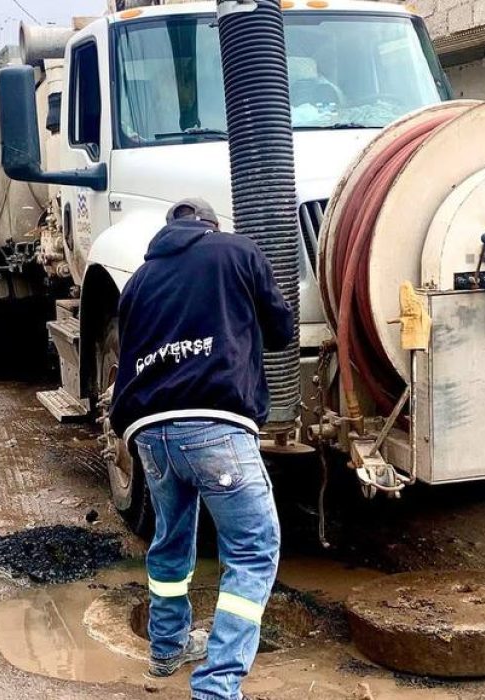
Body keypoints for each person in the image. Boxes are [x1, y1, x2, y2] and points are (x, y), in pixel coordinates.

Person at [110, 199, 294, 699]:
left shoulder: (138, 281)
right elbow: (282, 330)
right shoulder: (236, 251)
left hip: (150, 432)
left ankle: (166, 649)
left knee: (170, 540)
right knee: (253, 551)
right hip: (216, 424)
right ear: (211, 227)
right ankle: (217, 687)